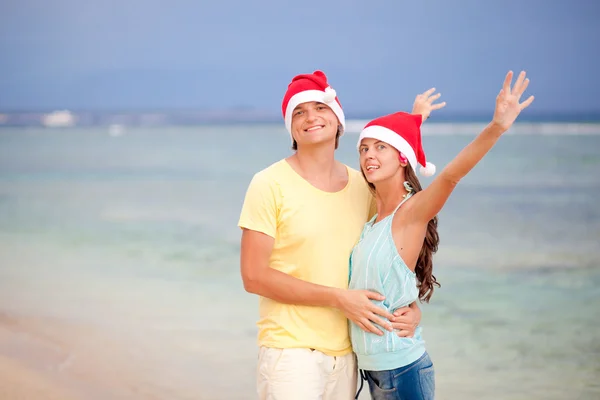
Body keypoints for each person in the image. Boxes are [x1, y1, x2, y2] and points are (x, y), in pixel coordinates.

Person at [238, 70, 445, 400]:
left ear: (338, 120)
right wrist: (338, 298)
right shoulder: (269, 184)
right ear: (290, 127)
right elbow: (254, 277)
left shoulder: (363, 188)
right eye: (299, 112)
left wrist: (409, 306)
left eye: (320, 108)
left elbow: (393, 247)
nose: (310, 118)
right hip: (291, 352)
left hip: (349, 357)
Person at [350, 70, 534, 399]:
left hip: (402, 369)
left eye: (380, 147)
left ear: (402, 157)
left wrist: (496, 128)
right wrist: (416, 117)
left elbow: (450, 176)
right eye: (363, 148)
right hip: (374, 371)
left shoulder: (411, 212)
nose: (369, 155)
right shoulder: (372, 222)